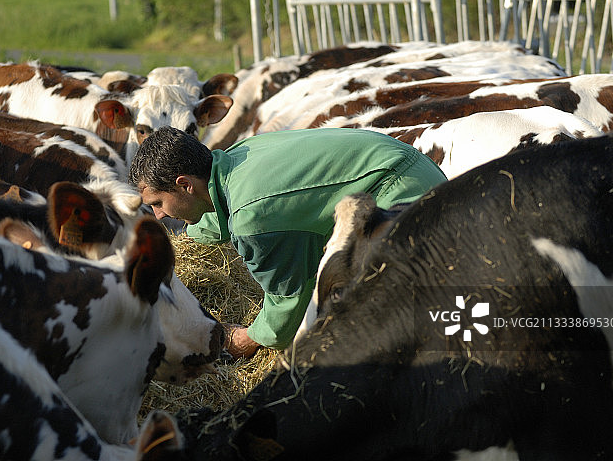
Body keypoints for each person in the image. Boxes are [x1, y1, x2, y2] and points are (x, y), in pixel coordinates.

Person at [128, 126, 447, 359]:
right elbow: (223, 212)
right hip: (410, 165)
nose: (157, 215)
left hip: (404, 199)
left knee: (384, 330)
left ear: (184, 185)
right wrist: (184, 234)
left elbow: (289, 299)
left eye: (157, 202)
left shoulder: (251, 216)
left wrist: (248, 338)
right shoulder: (236, 158)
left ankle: (479, 340)